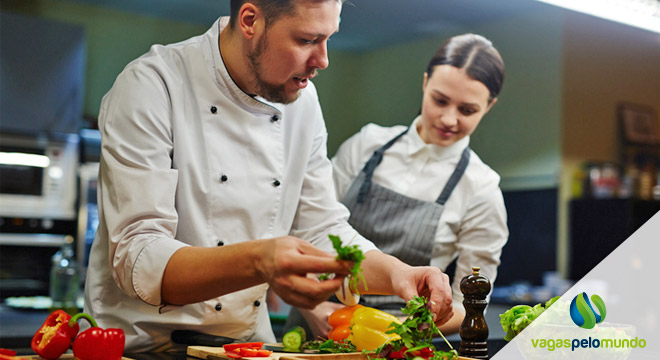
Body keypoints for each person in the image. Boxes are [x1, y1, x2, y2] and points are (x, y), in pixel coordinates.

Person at [84, 0, 454, 353]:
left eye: (329, 38)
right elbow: (139, 257)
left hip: (246, 347)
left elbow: (321, 228)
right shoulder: (152, 85)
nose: (323, 60)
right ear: (250, 21)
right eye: (307, 40)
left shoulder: (303, 101)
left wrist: (397, 274)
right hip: (140, 346)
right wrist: (261, 260)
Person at [289, 33, 508, 337]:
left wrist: (394, 330)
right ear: (424, 83)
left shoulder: (482, 190)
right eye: (440, 100)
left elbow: (469, 306)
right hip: (314, 322)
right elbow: (304, 229)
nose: (448, 119)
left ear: (489, 106)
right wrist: (311, 308)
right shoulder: (366, 146)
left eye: (467, 110)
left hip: (398, 339)